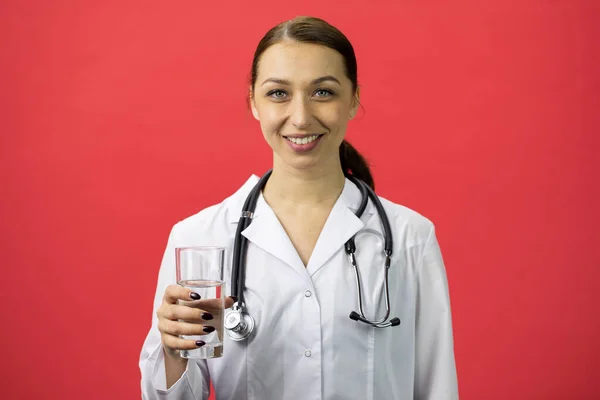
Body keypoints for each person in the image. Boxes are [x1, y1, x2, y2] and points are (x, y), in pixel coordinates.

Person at [139, 15, 459, 400]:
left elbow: (437, 386)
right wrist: (174, 352)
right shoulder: (199, 237)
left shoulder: (410, 237)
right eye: (278, 93)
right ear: (253, 102)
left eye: (323, 92)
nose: (302, 116)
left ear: (354, 99)